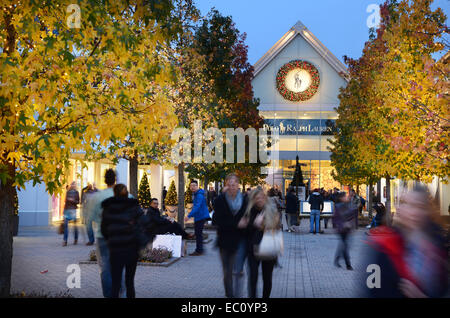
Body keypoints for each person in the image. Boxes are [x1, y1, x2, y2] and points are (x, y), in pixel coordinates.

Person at [361, 188, 448, 298]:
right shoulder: (382, 247)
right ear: (399, 209)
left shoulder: (438, 248)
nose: (413, 212)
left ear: (427, 211)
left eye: (419, 206)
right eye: (406, 204)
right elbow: (372, 290)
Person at [89, 169, 125, 298]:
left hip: (102, 236)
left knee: (105, 268)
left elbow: (90, 218)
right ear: (115, 179)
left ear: (105, 180)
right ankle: (122, 293)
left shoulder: (97, 197)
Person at [239, 187, 280, 298]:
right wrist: (252, 224)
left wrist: (262, 225)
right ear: (253, 199)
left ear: (265, 198)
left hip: (268, 248)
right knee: (253, 277)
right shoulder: (248, 211)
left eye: (262, 197)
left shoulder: (271, 210)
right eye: (257, 198)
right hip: (253, 249)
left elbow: (276, 228)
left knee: (267, 278)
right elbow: (245, 231)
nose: (260, 200)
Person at [212, 173, 249, 298]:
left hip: (239, 241)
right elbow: (216, 221)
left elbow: (247, 218)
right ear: (226, 185)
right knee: (227, 272)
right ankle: (229, 294)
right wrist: (236, 224)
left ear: (238, 185)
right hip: (224, 241)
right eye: (230, 184)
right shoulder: (220, 200)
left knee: (237, 271)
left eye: (234, 184)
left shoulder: (245, 200)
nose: (232, 187)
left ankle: (236, 295)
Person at [186, 180, 210, 256]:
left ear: (197, 186)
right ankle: (200, 249)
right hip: (199, 216)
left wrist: (189, 216)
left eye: (194, 185)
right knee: (198, 233)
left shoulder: (199, 195)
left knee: (198, 234)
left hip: (200, 217)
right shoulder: (197, 194)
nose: (192, 187)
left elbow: (197, 207)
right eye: (191, 186)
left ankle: (199, 251)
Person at [333, 192, 356, 270]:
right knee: (345, 246)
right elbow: (335, 219)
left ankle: (337, 259)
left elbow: (352, 214)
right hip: (341, 229)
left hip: (347, 229)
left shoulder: (348, 205)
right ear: (341, 198)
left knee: (343, 245)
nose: (346, 197)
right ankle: (348, 265)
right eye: (345, 196)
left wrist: (351, 224)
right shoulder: (338, 206)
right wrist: (342, 224)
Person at [63, 181, 80, 246]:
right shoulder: (68, 192)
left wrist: (73, 200)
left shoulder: (77, 192)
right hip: (67, 210)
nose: (73, 185)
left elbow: (78, 201)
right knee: (65, 226)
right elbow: (65, 201)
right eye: (72, 184)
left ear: (75, 186)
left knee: (75, 226)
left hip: (73, 211)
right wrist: (63, 211)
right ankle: (65, 241)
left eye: (74, 184)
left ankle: (76, 239)